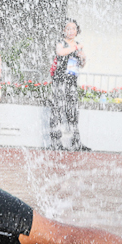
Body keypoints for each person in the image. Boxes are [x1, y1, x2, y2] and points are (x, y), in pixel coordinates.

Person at [49, 19, 89, 151]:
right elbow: (60, 52)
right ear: (64, 30)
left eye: (73, 28)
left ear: (77, 31)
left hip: (72, 81)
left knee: (73, 111)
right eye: (68, 28)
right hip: (60, 81)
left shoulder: (78, 45)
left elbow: (81, 65)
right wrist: (76, 48)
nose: (71, 31)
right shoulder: (61, 43)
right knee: (58, 110)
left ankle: (76, 142)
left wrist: (83, 58)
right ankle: (56, 142)